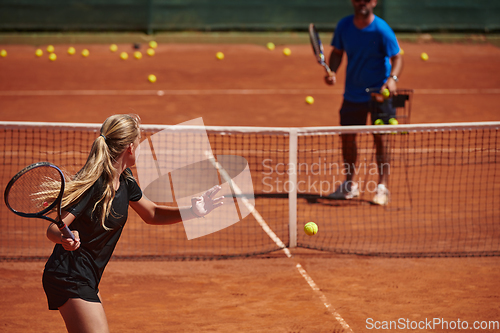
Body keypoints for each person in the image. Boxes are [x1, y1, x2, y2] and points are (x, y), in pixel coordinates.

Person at [42, 114, 223, 333]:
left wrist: (193, 211)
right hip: (69, 275)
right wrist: (64, 238)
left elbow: (152, 213)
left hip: (87, 274)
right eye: (139, 143)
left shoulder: (125, 179)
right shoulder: (95, 184)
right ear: (129, 147)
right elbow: (54, 227)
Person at [324, 0, 403, 205]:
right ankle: (350, 185)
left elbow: (397, 58)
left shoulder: (382, 30)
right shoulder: (344, 26)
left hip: (379, 94)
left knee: (381, 139)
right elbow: (337, 53)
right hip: (353, 94)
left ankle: (382, 187)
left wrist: (392, 80)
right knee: (348, 138)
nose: (362, 3)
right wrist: (332, 71)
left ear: (374, 2)